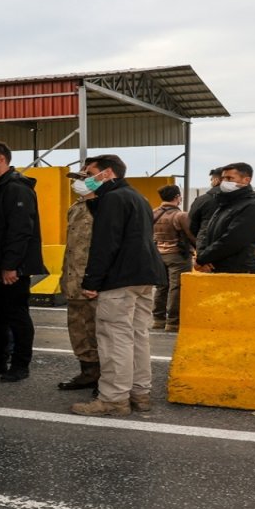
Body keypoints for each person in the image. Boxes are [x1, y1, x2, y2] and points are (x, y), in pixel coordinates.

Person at [71, 154, 165, 417]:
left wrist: (92, 281)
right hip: (144, 275)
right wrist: (94, 200)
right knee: (137, 336)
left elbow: (105, 243)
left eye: (90, 174)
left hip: (120, 277)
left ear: (108, 173)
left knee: (114, 339)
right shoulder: (136, 197)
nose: (85, 180)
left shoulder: (112, 199)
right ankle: (139, 393)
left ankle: (113, 398)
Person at [0, 140, 46, 382]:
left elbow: (20, 230)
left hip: (11, 267)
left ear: (0, 159)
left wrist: (10, 265)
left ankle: (20, 364)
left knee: (16, 316)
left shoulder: (17, 188)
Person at [57, 170, 100, 391]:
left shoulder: (103, 206)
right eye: (75, 179)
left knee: (97, 330)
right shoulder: (76, 207)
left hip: (92, 280)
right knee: (78, 328)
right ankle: (88, 372)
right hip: (73, 278)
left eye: (81, 179)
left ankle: (106, 377)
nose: (76, 183)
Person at [194, 162, 255, 275]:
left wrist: (202, 259)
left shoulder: (253, 207)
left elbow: (234, 240)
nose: (224, 182)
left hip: (241, 271)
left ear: (246, 180)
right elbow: (207, 232)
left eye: (229, 178)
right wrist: (202, 257)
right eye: (223, 178)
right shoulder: (226, 204)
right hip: (218, 268)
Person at [151, 185, 195, 333]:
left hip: (158, 255)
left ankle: (158, 320)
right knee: (176, 288)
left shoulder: (153, 213)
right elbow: (192, 236)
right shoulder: (180, 215)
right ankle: (173, 322)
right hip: (178, 256)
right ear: (177, 197)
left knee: (161, 287)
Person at [188, 167, 224, 242]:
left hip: (207, 242)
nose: (211, 181)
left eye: (212, 179)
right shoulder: (241, 199)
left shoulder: (201, 200)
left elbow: (192, 224)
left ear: (216, 180)